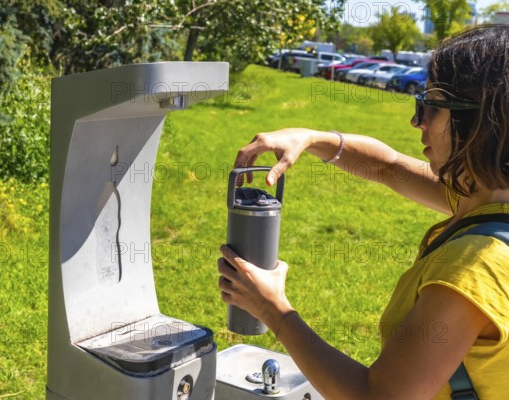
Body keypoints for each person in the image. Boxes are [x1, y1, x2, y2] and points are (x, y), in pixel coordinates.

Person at [217, 25, 509, 399]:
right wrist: (311, 138)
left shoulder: (474, 267)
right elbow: (389, 167)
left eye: (430, 106)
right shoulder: (486, 200)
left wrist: (273, 308)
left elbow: (377, 396)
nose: (416, 121)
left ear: (479, 122)